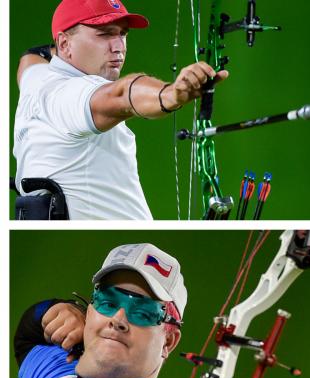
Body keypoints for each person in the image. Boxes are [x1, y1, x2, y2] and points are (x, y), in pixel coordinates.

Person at [11, 244, 268, 378]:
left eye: (143, 312)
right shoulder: (57, 374)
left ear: (168, 341)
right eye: (108, 301)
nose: (118, 320)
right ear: (89, 311)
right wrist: (60, 308)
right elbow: (27, 336)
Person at [13, 0, 229, 219]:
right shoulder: (70, 94)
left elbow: (30, 57)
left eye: (122, 34)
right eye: (104, 34)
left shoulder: (36, 77)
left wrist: (59, 50)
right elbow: (122, 94)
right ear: (65, 44)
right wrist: (169, 94)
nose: (118, 46)